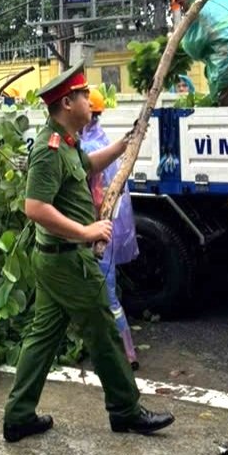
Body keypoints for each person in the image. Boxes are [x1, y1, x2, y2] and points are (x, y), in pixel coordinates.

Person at [2, 63, 174, 443]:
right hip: (68, 260)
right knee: (105, 334)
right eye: (83, 96)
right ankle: (126, 411)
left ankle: (18, 416)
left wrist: (124, 145)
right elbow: (35, 207)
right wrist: (86, 230)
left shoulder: (67, 142)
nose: (89, 102)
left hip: (56, 260)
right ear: (67, 102)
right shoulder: (48, 150)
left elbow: (89, 165)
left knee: (42, 337)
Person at [80, 88, 140, 369]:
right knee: (106, 290)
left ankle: (120, 354)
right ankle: (122, 351)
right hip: (107, 228)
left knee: (104, 292)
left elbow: (95, 195)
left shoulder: (89, 149)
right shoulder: (99, 140)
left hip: (97, 229)